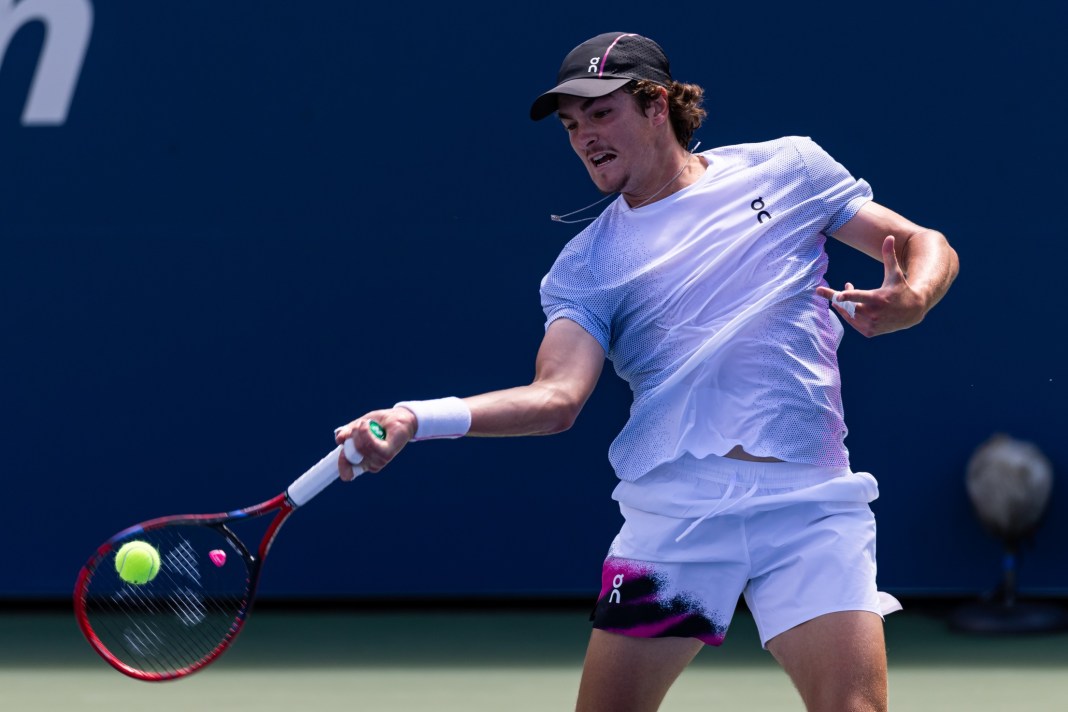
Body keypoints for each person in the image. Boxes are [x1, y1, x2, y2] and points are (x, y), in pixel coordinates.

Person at [334, 31, 959, 712]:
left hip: (807, 503)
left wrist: (915, 296)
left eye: (601, 113)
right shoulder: (587, 266)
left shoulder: (787, 170)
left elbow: (925, 243)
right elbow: (556, 399)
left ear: (657, 103)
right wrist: (417, 417)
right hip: (677, 516)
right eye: (572, 126)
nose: (584, 138)